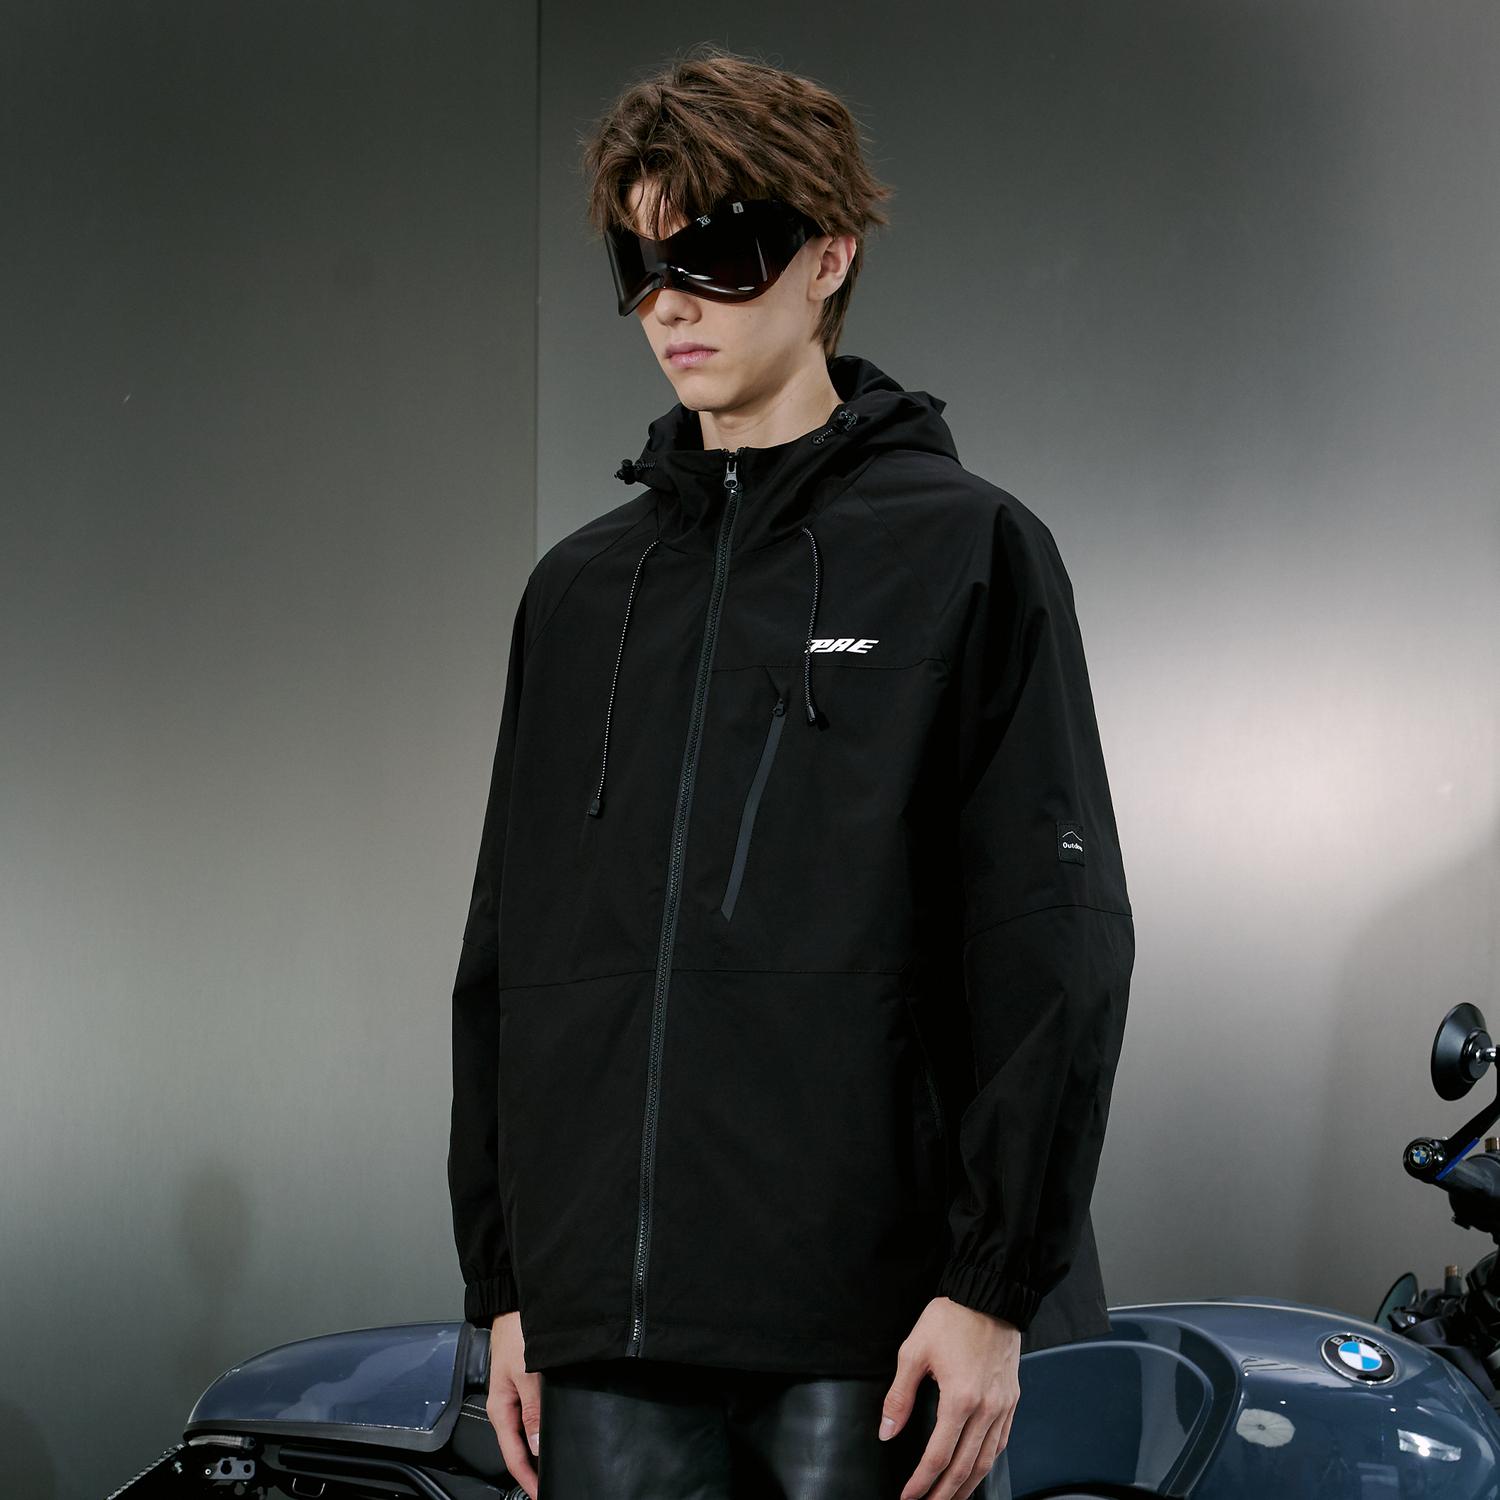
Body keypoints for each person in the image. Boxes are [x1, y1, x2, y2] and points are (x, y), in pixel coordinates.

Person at [448, 44, 1135, 1500]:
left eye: (713, 253)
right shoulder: (578, 594)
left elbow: (1053, 932)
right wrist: (504, 1284)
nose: (669, 303)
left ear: (830, 256)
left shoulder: (968, 551)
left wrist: (994, 1283)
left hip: (871, 1325)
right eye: (639, 265)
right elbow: (507, 953)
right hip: (610, 1323)